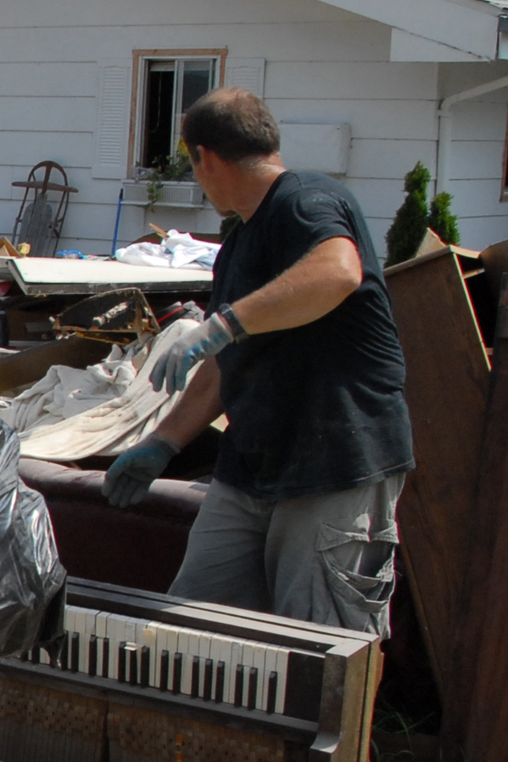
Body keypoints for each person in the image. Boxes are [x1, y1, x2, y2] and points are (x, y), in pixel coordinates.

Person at [103, 88, 414, 636]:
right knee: (192, 629)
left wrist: (220, 325)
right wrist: (162, 442)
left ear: (206, 157)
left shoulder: (305, 199)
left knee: (318, 647)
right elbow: (228, 364)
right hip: (251, 468)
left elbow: (338, 271)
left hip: (335, 462)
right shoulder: (240, 244)